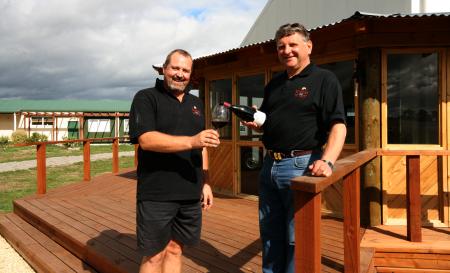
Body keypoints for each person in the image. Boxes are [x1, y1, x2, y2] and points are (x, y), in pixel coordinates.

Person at [242, 23, 347, 273]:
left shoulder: (324, 79)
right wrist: (256, 122)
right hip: (269, 166)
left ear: (308, 46)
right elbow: (269, 124)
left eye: (292, 45)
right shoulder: (274, 85)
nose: (286, 50)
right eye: (281, 46)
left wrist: (328, 161)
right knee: (270, 234)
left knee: (295, 238)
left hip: (301, 165)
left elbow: (338, 125)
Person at [129, 49, 220, 273]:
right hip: (157, 194)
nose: (180, 74)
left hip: (190, 194)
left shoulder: (196, 103)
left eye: (185, 70)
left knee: (175, 250)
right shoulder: (146, 97)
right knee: (153, 256)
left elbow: (202, 146)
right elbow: (146, 139)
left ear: (191, 74)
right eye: (175, 68)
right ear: (164, 69)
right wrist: (191, 141)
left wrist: (206, 182)